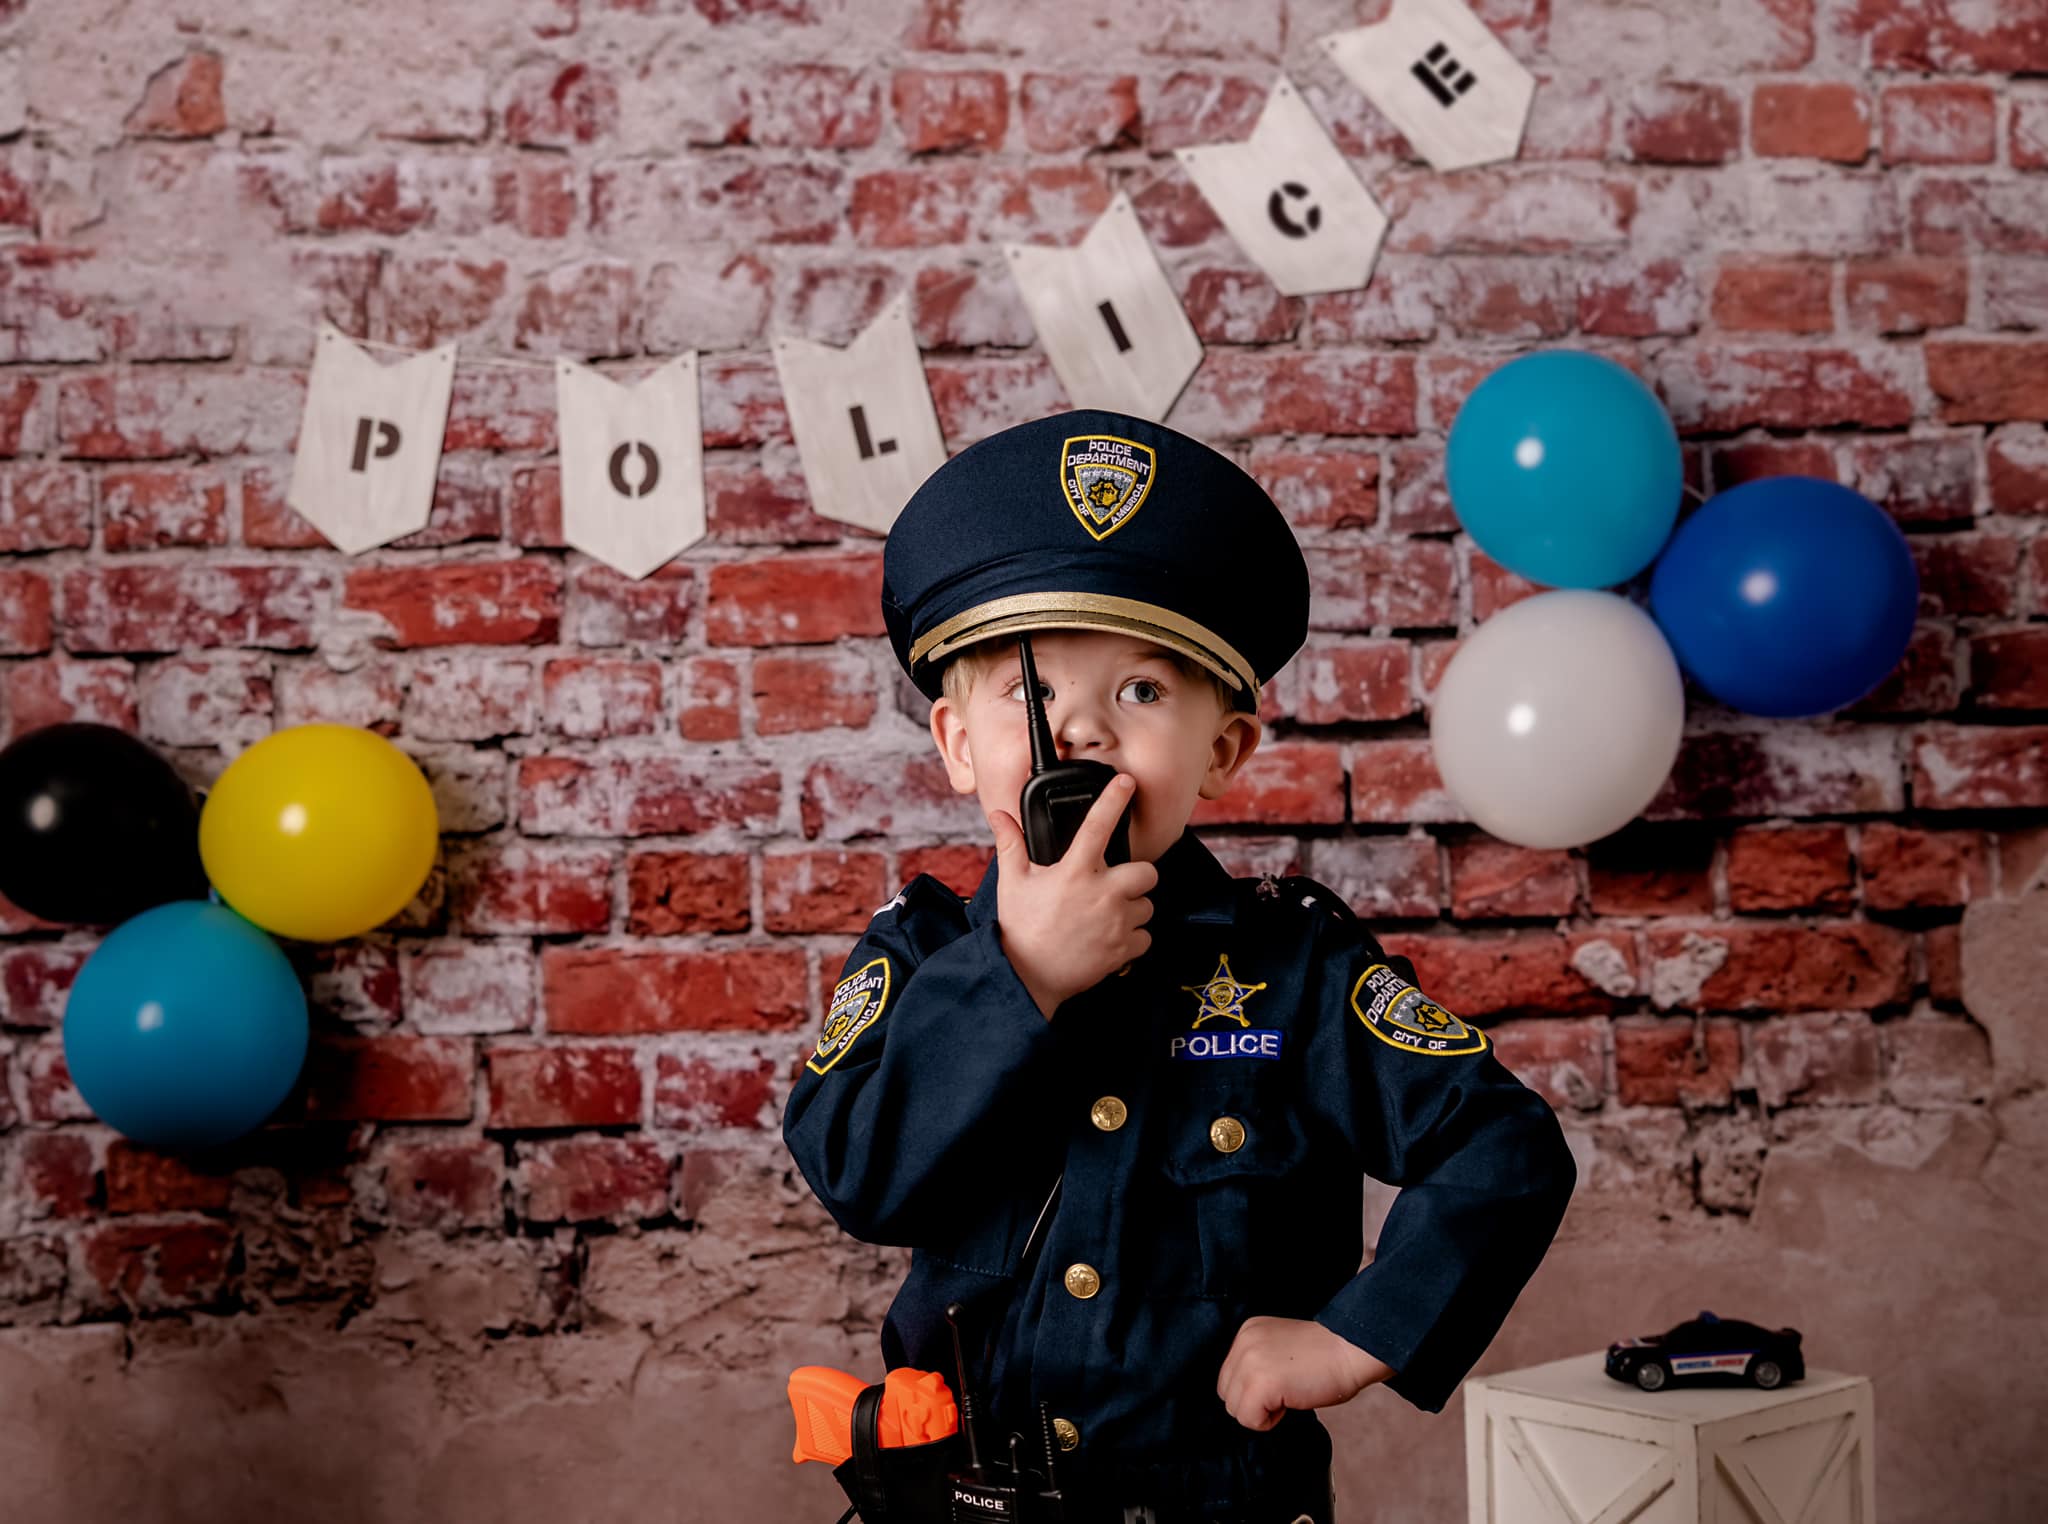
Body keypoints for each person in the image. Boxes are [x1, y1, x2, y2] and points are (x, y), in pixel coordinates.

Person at [782, 408, 1577, 1524]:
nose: (1085, 734)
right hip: (957, 1500)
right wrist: (1019, 975)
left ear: (1223, 749)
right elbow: (853, 1171)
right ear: (959, 747)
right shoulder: (917, 952)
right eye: (1030, 693)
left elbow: (1501, 1145)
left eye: (1141, 692)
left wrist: (1359, 1331)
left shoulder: (1294, 962)